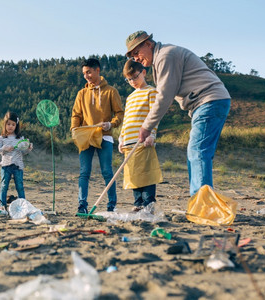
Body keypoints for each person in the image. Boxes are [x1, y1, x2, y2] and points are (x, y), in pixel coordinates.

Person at [125, 31, 231, 196]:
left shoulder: (165, 56)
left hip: (209, 100)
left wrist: (146, 127)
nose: (136, 59)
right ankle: (198, 200)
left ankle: (202, 203)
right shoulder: (160, 59)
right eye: (132, 56)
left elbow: (164, 96)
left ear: (148, 44)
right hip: (205, 103)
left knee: (198, 151)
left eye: (136, 53)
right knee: (195, 153)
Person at [70, 58, 124, 213]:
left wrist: (111, 124)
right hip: (86, 136)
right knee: (84, 172)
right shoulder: (81, 93)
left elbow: (119, 114)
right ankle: (82, 205)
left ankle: (111, 205)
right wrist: (74, 128)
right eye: (84, 73)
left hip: (105, 135)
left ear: (97, 70)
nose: (86, 76)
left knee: (107, 171)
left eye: (89, 72)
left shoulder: (111, 91)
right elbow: (76, 115)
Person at [119, 60, 163, 211]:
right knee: (133, 174)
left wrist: (152, 134)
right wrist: (121, 138)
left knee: (146, 173)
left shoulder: (151, 91)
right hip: (129, 142)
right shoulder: (130, 97)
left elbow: (154, 115)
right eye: (129, 79)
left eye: (135, 77)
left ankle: (148, 204)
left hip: (144, 140)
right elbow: (126, 120)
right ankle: (138, 203)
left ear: (143, 73)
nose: (132, 82)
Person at [0, 111, 33, 216]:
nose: (10, 126)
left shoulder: (20, 138)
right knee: (3, 186)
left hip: (18, 166)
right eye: (8, 124)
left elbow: (23, 152)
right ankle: (2, 206)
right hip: (5, 165)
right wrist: (4, 148)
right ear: (5, 124)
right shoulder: (2, 138)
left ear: (16, 126)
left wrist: (28, 148)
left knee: (20, 186)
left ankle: (24, 206)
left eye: (13, 124)